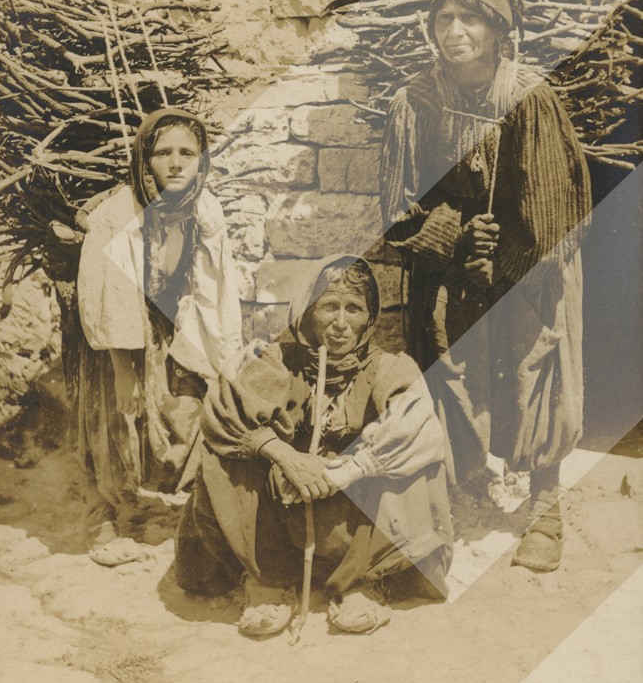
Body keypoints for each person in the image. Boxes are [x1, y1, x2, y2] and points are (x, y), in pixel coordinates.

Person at [380, 0, 592, 573]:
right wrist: (452, 236)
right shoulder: (414, 103)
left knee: (537, 368)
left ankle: (545, 504)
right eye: (443, 18)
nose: (455, 31)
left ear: (498, 29)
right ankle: (467, 486)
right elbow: (397, 211)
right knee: (453, 367)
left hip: (533, 259)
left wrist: (502, 254)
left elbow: (557, 211)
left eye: (470, 18)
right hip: (450, 263)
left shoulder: (529, 98)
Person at [175, 254, 453, 637]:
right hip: (283, 510)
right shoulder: (277, 359)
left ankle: (362, 581)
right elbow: (226, 412)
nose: (340, 323)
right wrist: (284, 455)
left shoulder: (389, 368)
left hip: (352, 518)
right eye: (329, 306)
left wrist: (346, 471)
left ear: (370, 317)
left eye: (354, 308)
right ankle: (269, 578)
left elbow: (416, 427)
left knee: (414, 454)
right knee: (225, 448)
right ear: (307, 311)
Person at [75, 107, 243, 566]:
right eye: (163, 152)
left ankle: (184, 507)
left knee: (187, 412)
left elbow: (216, 284)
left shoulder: (203, 209)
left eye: (187, 153)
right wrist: (123, 370)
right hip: (116, 335)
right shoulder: (117, 215)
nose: (175, 163)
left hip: (170, 324)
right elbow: (113, 299)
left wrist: (220, 356)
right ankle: (109, 514)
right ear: (145, 160)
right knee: (117, 418)